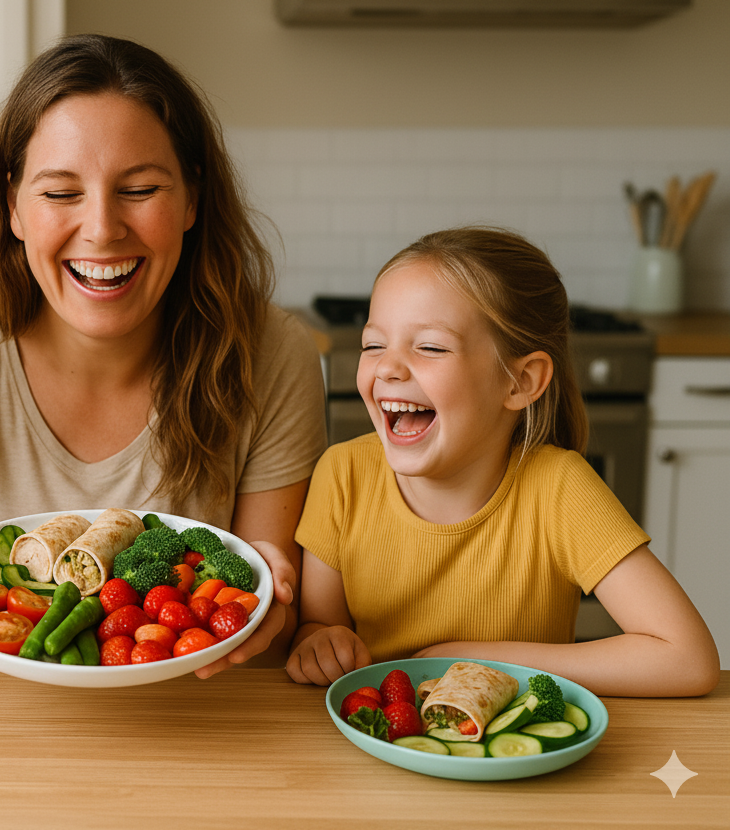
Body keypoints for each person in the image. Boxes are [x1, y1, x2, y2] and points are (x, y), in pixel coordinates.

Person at [0, 34, 326, 678]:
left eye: (140, 189)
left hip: (200, 732)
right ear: (13, 206)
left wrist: (278, 612)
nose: (102, 228)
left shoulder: (271, 353)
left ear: (193, 198)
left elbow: (259, 629)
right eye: (61, 194)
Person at [287, 226, 719, 697]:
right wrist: (319, 643)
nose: (388, 367)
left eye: (430, 346)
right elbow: (317, 628)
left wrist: (477, 660)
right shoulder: (342, 474)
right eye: (373, 345)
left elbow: (687, 659)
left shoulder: (561, 488)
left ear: (520, 382)